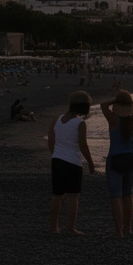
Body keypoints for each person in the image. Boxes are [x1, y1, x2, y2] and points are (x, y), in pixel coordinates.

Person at [47, 92, 97, 235]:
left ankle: (54, 227)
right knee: (73, 196)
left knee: (57, 195)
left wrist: (56, 154)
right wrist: (91, 163)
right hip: (73, 163)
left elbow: (51, 142)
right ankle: (70, 228)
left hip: (57, 160)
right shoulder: (80, 123)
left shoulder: (56, 119)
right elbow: (83, 145)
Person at [100, 90, 133, 238]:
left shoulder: (113, 119)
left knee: (115, 196)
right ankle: (128, 228)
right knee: (128, 195)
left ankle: (118, 231)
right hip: (131, 158)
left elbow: (103, 105)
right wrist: (131, 103)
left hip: (115, 158)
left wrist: (114, 101)